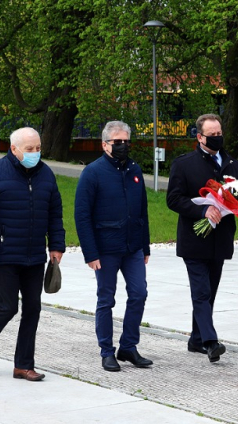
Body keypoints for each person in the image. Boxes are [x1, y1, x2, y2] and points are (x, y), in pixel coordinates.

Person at [0, 127, 65, 382]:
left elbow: (55, 213)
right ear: (14, 149)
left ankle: (23, 365)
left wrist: (57, 246)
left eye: (38, 148)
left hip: (34, 255)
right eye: (29, 149)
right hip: (4, 254)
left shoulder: (46, 174)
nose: (35, 153)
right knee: (7, 306)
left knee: (33, 308)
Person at [75, 121, 152, 372]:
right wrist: (90, 252)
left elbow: (143, 210)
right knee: (106, 299)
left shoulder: (134, 169)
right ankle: (106, 351)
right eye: (117, 142)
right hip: (106, 248)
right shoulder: (92, 173)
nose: (122, 146)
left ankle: (128, 346)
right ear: (104, 144)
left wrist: (145, 246)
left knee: (139, 293)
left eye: (126, 142)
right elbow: (82, 215)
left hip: (133, 247)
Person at [166, 113, 238, 363]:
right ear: (199, 137)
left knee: (209, 292)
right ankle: (210, 342)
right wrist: (202, 209)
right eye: (212, 135)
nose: (217, 138)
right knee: (200, 292)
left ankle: (196, 339)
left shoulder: (232, 163)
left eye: (220, 134)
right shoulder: (184, 164)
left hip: (220, 239)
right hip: (194, 239)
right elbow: (173, 199)